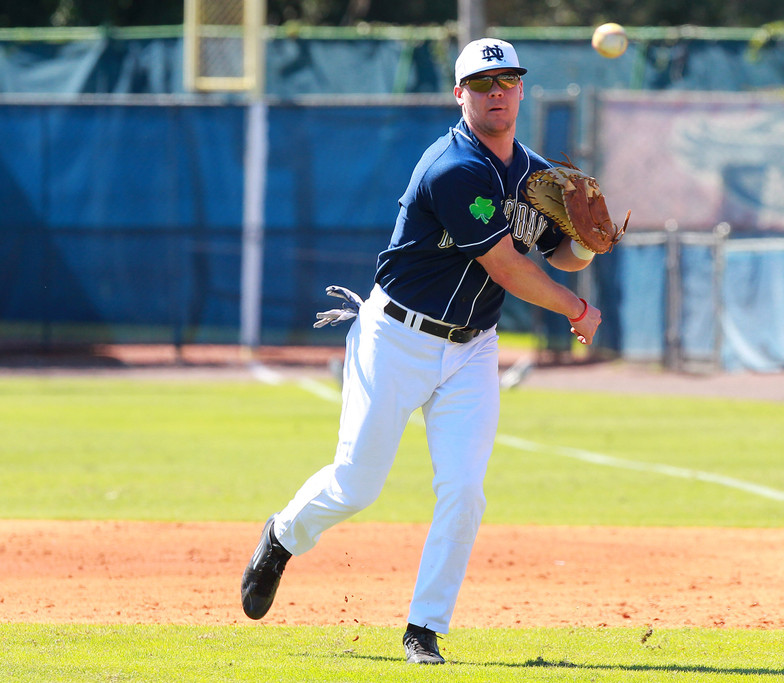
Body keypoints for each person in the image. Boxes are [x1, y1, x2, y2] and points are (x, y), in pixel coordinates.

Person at [240, 37, 603, 665]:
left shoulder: (536, 174)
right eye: (483, 82)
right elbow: (509, 267)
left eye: (508, 79)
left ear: (521, 89)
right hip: (397, 338)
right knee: (357, 485)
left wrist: (591, 241)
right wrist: (577, 308)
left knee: (464, 490)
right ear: (459, 93)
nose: (497, 92)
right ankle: (282, 536)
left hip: (472, 351)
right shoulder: (452, 167)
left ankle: (424, 629)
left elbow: (559, 253)